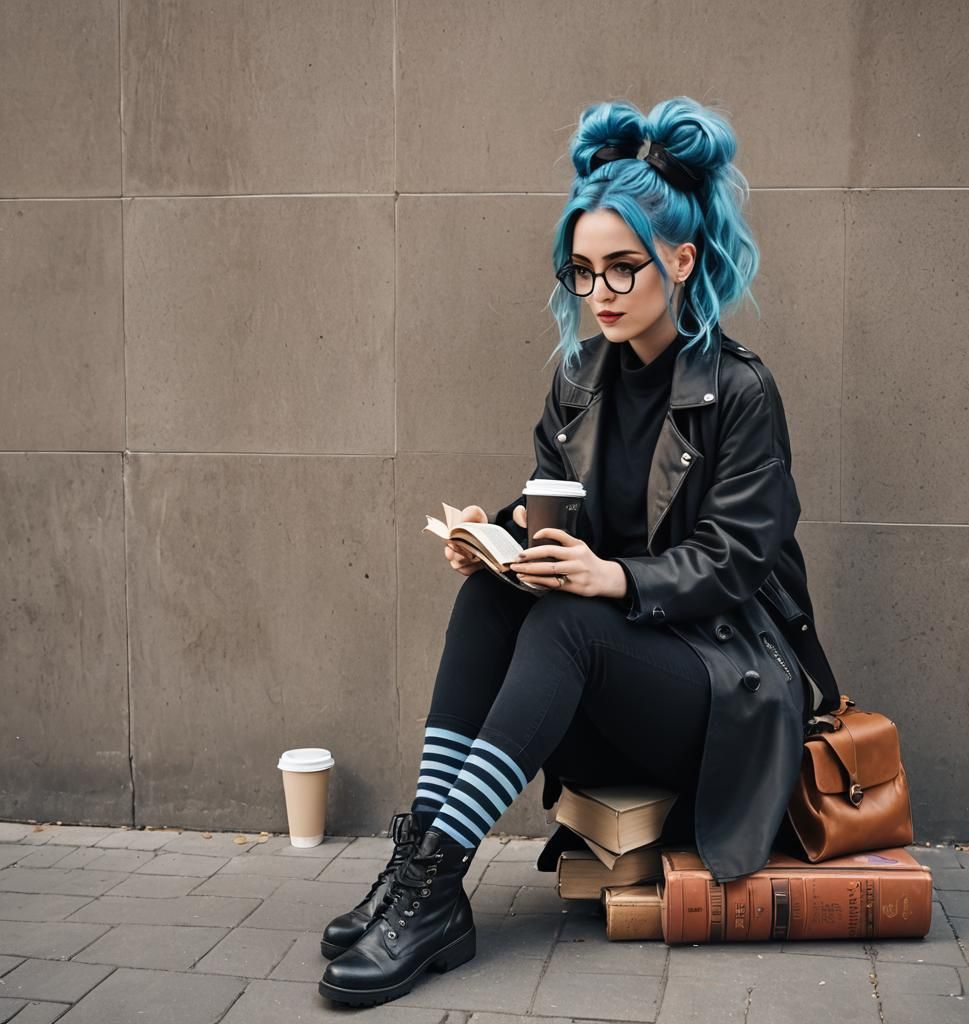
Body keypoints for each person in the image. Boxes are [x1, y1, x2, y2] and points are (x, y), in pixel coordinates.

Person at [318, 96, 839, 1008]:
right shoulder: (578, 378)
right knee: (494, 601)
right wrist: (503, 535)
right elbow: (562, 509)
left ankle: (435, 885)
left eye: (623, 269)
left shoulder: (741, 392)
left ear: (680, 262)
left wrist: (613, 577)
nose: (599, 292)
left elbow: (737, 561)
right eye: (582, 271)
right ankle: (424, 874)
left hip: (726, 692)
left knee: (566, 623)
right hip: (619, 678)